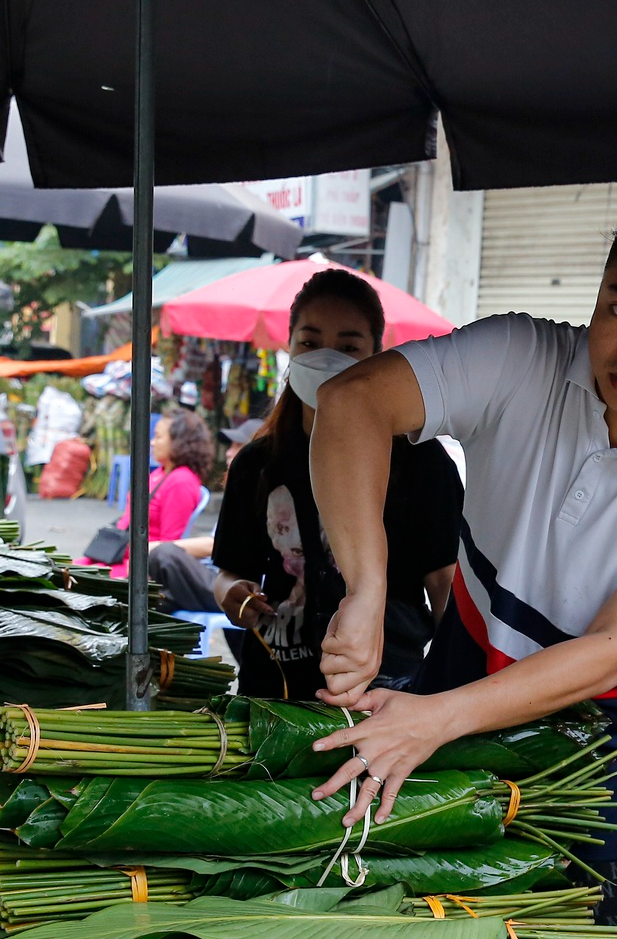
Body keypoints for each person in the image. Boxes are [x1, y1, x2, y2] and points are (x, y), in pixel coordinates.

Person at [303, 185, 617, 939]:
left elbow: (611, 651)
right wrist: (366, 587)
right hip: (441, 726)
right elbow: (353, 399)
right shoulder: (522, 357)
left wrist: (434, 717)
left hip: (599, 766)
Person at [209, 268, 462, 700]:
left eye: (347, 346)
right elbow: (231, 569)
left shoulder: (423, 463)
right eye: (310, 342)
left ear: (376, 355)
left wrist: (454, 687)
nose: (326, 358)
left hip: (383, 690)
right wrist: (231, 593)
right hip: (273, 688)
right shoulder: (256, 463)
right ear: (289, 347)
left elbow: (445, 583)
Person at [76, 408, 212, 579]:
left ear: (180, 441)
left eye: (158, 437)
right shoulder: (161, 472)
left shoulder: (181, 481)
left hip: (137, 568)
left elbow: (169, 546)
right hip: (117, 555)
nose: (152, 442)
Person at [145, 417, 263, 613]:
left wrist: (158, 547)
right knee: (151, 598)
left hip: (233, 587)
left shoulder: (262, 495)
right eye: (230, 446)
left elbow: (218, 545)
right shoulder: (239, 491)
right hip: (213, 576)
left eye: (239, 446)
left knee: (164, 555)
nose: (229, 453)